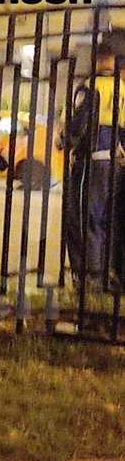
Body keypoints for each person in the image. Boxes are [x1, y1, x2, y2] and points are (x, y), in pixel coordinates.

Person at [61, 45, 125, 290]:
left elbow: (81, 122)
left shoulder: (92, 86)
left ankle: (89, 278)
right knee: (103, 220)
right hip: (114, 161)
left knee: (80, 218)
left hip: (91, 160)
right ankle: (104, 273)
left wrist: (66, 141)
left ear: (97, 60)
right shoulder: (121, 87)